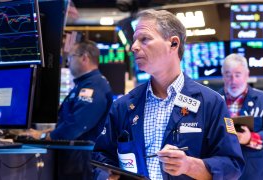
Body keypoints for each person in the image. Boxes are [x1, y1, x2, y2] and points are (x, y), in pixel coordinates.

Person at [93, 9, 244, 180]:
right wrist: (105, 176)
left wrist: (189, 165)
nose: (133, 47)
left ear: (173, 43)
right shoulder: (124, 105)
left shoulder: (210, 102)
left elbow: (232, 165)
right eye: (134, 40)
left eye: (144, 39)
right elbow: (102, 156)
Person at [27, 40, 113, 180]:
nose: (68, 62)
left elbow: (78, 124)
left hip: (82, 163)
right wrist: (46, 132)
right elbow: (70, 120)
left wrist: (45, 137)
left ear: (84, 57)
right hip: (75, 161)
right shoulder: (85, 84)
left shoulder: (93, 86)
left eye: (71, 57)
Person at [218, 53, 263, 180]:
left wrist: (251, 138)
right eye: (228, 75)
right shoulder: (213, 99)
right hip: (221, 172)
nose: (233, 80)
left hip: (252, 173)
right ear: (223, 76)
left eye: (237, 74)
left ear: (247, 75)